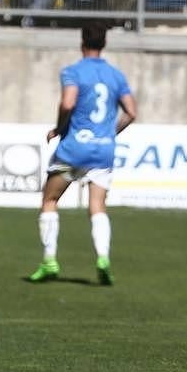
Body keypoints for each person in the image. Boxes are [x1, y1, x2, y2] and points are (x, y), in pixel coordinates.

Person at [28, 23, 137, 286]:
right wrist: (110, 134)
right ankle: (103, 258)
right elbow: (131, 112)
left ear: (82, 42)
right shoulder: (116, 75)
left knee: (50, 200)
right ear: (104, 43)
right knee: (98, 207)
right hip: (103, 151)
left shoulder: (74, 72)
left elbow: (68, 102)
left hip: (74, 148)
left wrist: (59, 128)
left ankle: (49, 260)